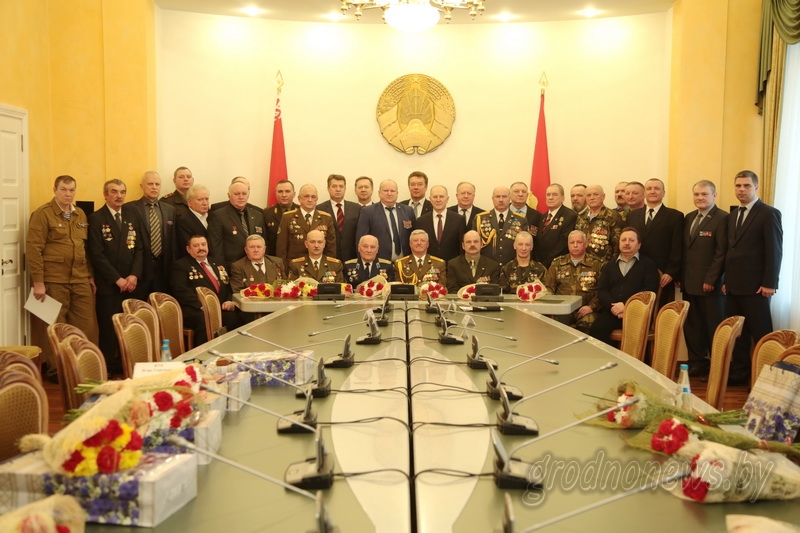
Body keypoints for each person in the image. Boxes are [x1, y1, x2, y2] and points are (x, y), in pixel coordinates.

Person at [27, 175, 99, 377]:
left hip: (80, 278)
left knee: (86, 326)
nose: (68, 194)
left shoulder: (80, 214)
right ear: (55, 190)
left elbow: (85, 248)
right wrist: (38, 282)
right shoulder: (43, 214)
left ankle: (83, 367)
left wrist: (90, 275)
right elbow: (33, 249)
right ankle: (57, 371)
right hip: (53, 280)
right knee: (56, 327)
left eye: (71, 190)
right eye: (64, 190)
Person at [724, 170, 783, 386]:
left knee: (762, 335)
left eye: (746, 185)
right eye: (738, 186)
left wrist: (770, 283)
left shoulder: (768, 213)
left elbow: (774, 250)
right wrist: (726, 281)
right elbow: (731, 252)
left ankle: (766, 379)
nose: (741, 189)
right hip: (733, 287)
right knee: (739, 334)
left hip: (758, 287)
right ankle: (740, 374)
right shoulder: (732, 216)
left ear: (756, 187)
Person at [87, 179, 143, 373]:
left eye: (122, 192)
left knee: (129, 326)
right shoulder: (96, 218)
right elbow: (96, 254)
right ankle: (109, 367)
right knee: (109, 328)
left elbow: (140, 248)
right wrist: (117, 279)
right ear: (106, 195)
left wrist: (134, 275)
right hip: (109, 284)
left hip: (131, 283)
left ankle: (126, 364)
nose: (119, 196)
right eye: (114, 192)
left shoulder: (131, 215)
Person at [681, 180, 728, 378]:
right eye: (696, 194)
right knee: (693, 326)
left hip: (710, 285)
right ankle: (697, 362)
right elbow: (686, 251)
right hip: (689, 282)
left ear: (714, 196)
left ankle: (716, 367)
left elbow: (721, 253)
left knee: (713, 327)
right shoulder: (689, 217)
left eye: (704, 194)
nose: (700, 198)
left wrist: (711, 279)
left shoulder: (723, 218)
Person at [590, 227, 659, 345]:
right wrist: (614, 308)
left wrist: (626, 305)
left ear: (639, 245)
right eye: (623, 240)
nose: (627, 243)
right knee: (597, 329)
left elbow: (649, 290)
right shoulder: (609, 266)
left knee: (634, 338)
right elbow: (602, 290)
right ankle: (610, 357)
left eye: (631, 240)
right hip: (612, 312)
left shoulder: (648, 265)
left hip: (637, 313)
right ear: (619, 243)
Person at [170, 235, 242, 345]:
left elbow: (227, 285)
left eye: (203, 244)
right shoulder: (181, 265)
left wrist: (228, 301)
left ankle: (231, 349)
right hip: (197, 309)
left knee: (235, 317)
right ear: (188, 249)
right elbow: (181, 291)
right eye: (196, 245)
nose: (201, 248)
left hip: (220, 307)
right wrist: (204, 305)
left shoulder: (217, 262)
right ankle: (204, 353)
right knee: (205, 321)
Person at [626, 178, 683, 307]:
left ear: (663, 193)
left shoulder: (675, 216)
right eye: (649, 189)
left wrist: (671, 272)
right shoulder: (632, 215)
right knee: (637, 309)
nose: (652, 191)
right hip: (636, 270)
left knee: (660, 310)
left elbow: (677, 247)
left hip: (663, 275)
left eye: (657, 188)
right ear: (644, 193)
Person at [124, 170, 175, 296]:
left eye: (157, 184)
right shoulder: (129, 208)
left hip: (163, 269)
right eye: (150, 184)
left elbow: (173, 241)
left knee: (161, 304)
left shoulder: (170, 210)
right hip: (140, 269)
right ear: (142, 186)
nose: (154, 187)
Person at [544, 230, 605, 333]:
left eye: (579, 242)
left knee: (588, 322)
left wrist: (591, 307)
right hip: (563, 309)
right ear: (568, 245)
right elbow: (548, 287)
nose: (575, 245)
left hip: (586, 309)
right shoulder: (557, 263)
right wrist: (554, 307)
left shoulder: (597, 264)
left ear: (585, 244)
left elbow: (602, 290)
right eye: (572, 242)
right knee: (556, 324)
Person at [208, 180, 267, 268]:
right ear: (229, 196)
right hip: (231, 266)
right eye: (237, 194)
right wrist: (221, 269)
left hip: (256, 266)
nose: (241, 197)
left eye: (244, 194)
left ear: (248, 195)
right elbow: (215, 247)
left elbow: (263, 241)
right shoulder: (218, 216)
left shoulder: (258, 215)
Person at [275, 184, 336, 264]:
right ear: (299, 198)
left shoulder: (326, 218)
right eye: (306, 196)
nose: (310, 200)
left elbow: (331, 248)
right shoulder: (288, 217)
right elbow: (281, 248)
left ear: (317, 199)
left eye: (313, 197)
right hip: (294, 266)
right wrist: (283, 268)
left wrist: (330, 267)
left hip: (320, 266)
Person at [356, 179, 415, 262]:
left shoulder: (408, 210)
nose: (389, 193)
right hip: (379, 262)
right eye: (386, 191)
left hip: (405, 261)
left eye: (392, 191)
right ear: (379, 193)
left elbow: (413, 235)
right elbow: (361, 240)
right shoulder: (368, 212)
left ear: (397, 193)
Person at [473, 186, 528, 269]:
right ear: (492, 199)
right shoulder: (480, 218)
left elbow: (526, 245)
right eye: (498, 196)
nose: (501, 200)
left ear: (510, 198)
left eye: (504, 196)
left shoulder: (521, 219)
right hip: (486, 268)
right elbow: (474, 245)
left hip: (512, 268)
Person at [317, 174, 361, 261]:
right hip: (329, 258)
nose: (338, 189)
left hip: (352, 258)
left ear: (345, 189)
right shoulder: (319, 209)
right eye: (334, 186)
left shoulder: (356, 208)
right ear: (328, 188)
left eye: (341, 186)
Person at [413, 185, 463, 261]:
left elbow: (462, 246)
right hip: (429, 264)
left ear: (447, 199)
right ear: (430, 199)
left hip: (452, 265)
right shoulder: (421, 221)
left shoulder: (459, 220)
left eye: (441, 197)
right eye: (435, 197)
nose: (438, 200)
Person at [574, 184, 624, 262]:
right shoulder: (580, 217)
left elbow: (617, 246)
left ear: (603, 196)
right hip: (583, 264)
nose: (592, 198)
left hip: (604, 264)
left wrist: (613, 266)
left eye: (595, 194)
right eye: (589, 195)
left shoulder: (613, 216)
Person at [534, 183, 577, 268]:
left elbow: (563, 244)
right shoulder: (542, 217)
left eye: (555, 194)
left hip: (558, 265)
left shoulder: (570, 216)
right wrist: (537, 262)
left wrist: (546, 263)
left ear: (562, 198)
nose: (550, 197)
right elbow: (537, 241)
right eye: (548, 195)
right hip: (540, 265)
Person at [263, 179, 298, 256]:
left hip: (297, 258)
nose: (284, 195)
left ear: (294, 194)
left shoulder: (301, 212)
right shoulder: (266, 213)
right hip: (274, 257)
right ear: (276, 194)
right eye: (280, 191)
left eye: (287, 191)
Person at [176, 184, 211, 259]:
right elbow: (188, 247)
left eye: (206, 199)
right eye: (200, 200)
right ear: (189, 202)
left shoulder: (212, 216)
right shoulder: (183, 221)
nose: (205, 203)